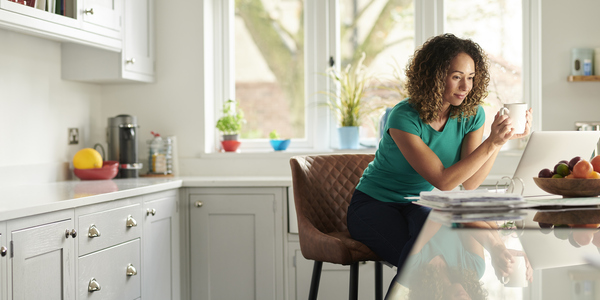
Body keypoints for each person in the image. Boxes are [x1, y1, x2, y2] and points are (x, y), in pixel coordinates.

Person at [346, 33, 533, 292]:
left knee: (435, 251)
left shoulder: (472, 114)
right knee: (420, 260)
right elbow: (444, 181)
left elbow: (469, 183)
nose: (465, 86)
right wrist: (491, 142)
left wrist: (499, 141)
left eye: (470, 77)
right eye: (456, 76)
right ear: (434, 77)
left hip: (418, 204)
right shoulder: (404, 117)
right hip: (374, 203)